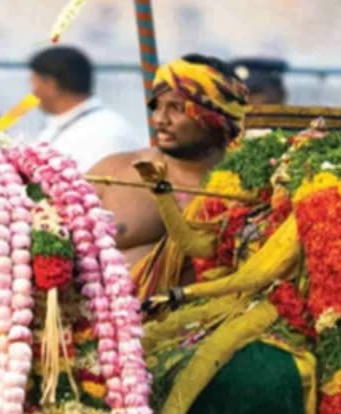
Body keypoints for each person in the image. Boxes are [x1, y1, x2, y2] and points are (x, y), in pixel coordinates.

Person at [90, 53, 244, 274]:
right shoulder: (114, 172)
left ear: (217, 117)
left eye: (177, 108)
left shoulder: (247, 190)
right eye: (158, 106)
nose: (160, 119)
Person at [30, 45, 139, 171]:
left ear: (51, 85)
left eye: (34, 82)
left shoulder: (106, 131)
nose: (33, 92)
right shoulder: (59, 126)